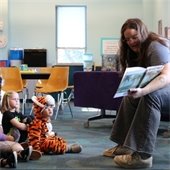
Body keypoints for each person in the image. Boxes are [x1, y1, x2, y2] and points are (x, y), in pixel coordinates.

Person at [103, 18, 170, 169]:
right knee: (130, 97)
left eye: (134, 37)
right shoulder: (132, 51)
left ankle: (143, 156)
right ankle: (126, 145)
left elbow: (165, 77)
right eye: (127, 39)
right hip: (161, 88)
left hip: (167, 86)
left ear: (143, 33)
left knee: (150, 96)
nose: (131, 42)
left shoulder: (155, 46)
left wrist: (143, 90)